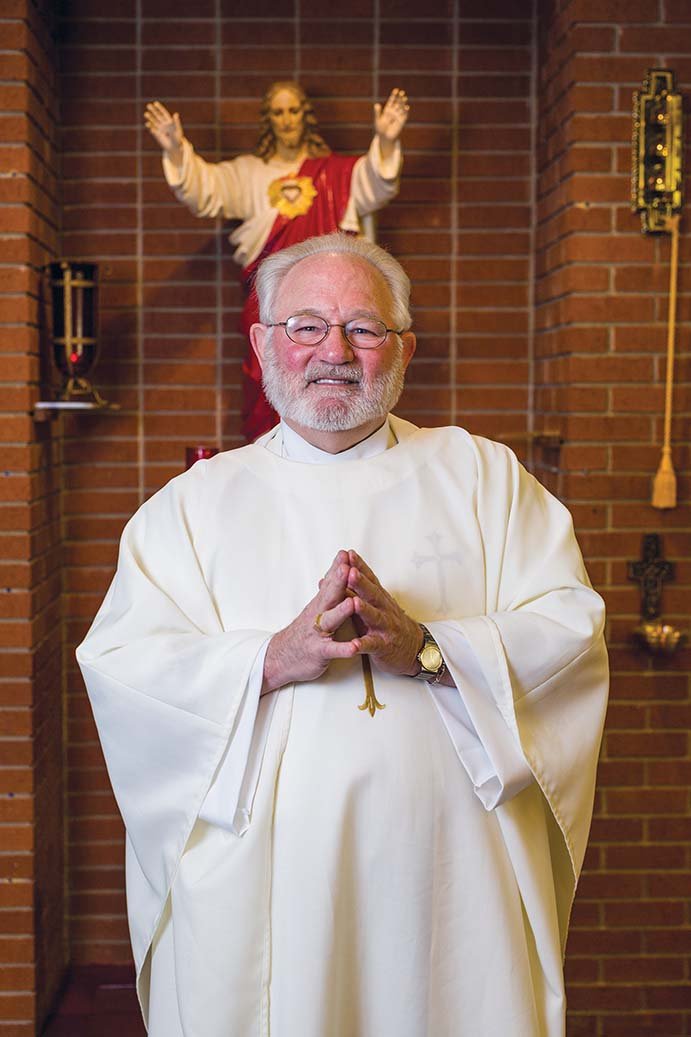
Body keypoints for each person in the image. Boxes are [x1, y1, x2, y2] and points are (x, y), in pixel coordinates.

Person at [77, 232, 609, 1036]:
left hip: (450, 883)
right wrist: (266, 659)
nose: (335, 351)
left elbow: (569, 628)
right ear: (260, 344)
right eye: (305, 326)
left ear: (404, 348)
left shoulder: (484, 479)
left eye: (363, 328)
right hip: (265, 889)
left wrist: (431, 649)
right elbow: (122, 665)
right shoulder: (193, 507)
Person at [145, 82, 409, 440]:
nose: (286, 120)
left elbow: (375, 181)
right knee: (264, 380)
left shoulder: (337, 174)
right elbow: (206, 190)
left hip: (333, 300)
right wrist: (177, 150)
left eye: (293, 111)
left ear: (306, 116)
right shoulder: (249, 174)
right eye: (278, 112)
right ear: (268, 120)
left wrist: (388, 140)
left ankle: (335, 445)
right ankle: (269, 452)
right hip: (267, 299)